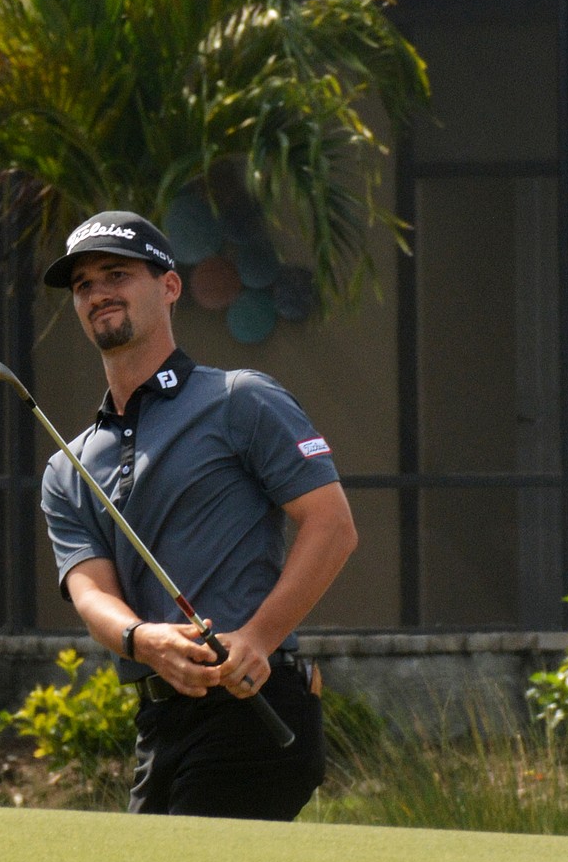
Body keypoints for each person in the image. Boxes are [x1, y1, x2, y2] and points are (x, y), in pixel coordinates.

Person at [40, 210, 358, 821]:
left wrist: (258, 638)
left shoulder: (241, 399)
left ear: (169, 286)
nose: (97, 292)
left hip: (255, 705)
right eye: (83, 285)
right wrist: (142, 639)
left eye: (116, 274)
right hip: (160, 719)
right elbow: (90, 591)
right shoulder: (69, 466)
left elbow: (332, 526)